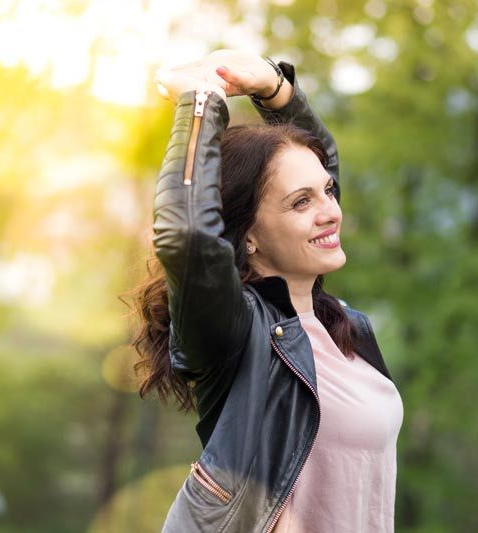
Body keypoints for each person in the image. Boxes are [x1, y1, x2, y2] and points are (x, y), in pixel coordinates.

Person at [126, 49, 404, 532]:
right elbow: (187, 237)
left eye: (329, 192)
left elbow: (314, 168)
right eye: (301, 203)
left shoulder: (339, 326)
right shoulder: (237, 332)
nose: (330, 211)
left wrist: (276, 92)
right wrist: (200, 103)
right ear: (248, 236)